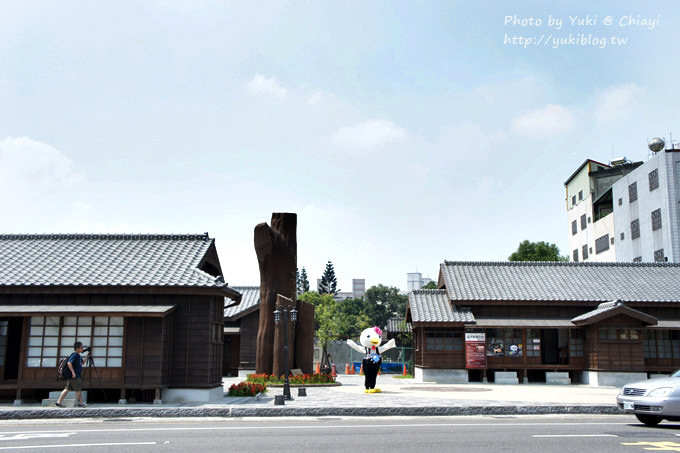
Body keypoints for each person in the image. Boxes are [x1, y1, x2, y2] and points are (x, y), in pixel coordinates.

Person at [55, 341, 88, 407]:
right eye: (81, 347)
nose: (82, 349)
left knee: (67, 389)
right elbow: (69, 363)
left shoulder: (78, 356)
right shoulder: (74, 355)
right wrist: (73, 372)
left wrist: (87, 355)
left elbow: (83, 363)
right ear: (77, 348)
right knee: (78, 389)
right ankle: (80, 403)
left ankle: (59, 402)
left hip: (73, 375)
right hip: (74, 375)